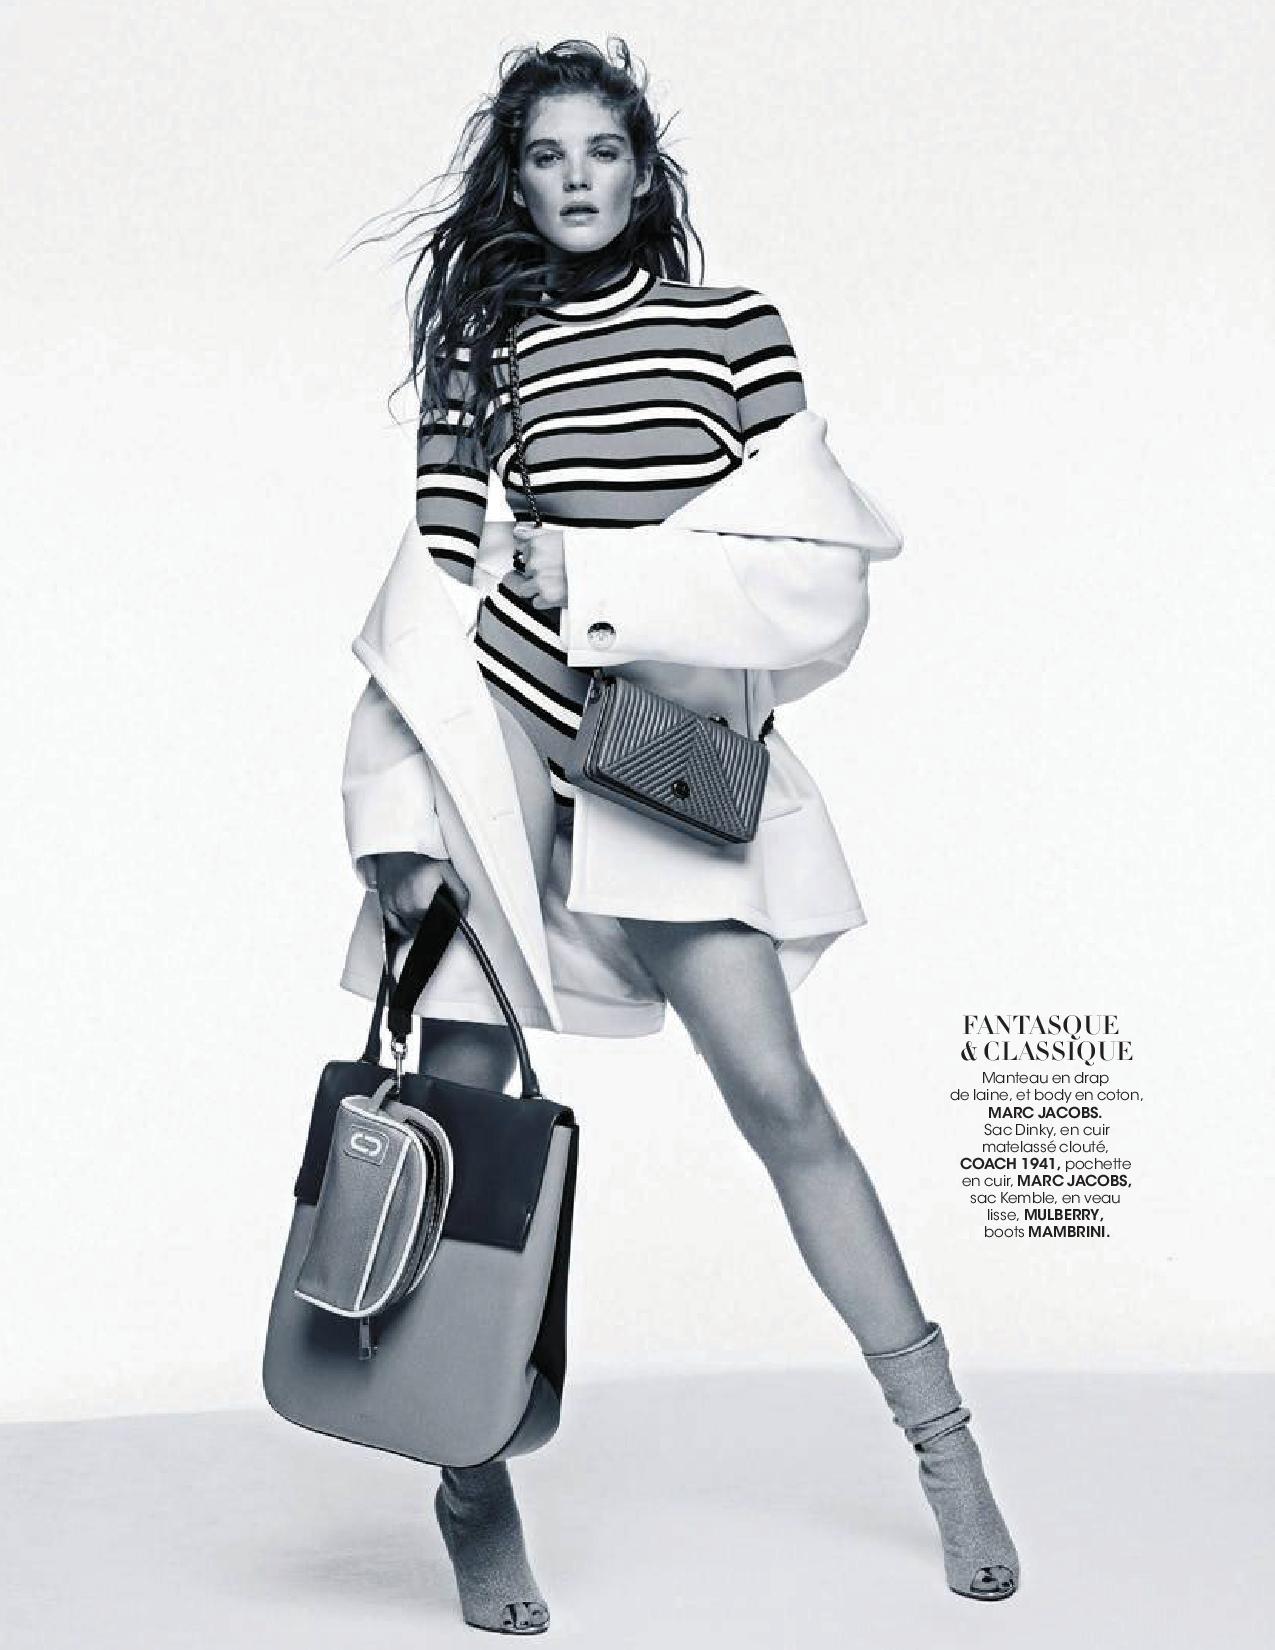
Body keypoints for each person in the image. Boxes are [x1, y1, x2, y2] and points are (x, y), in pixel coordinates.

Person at [349, 36, 1020, 1637]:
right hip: (499, 751)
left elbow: (815, 576)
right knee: (462, 1123)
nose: (575, 179)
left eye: (602, 151)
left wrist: (596, 575)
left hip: (659, 759)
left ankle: (945, 1446)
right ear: (517, 183)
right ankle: (470, 1482)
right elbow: (431, 591)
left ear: (644, 173)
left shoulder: (735, 330)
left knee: (782, 1099)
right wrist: (394, 814)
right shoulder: (487, 347)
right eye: (545, 157)